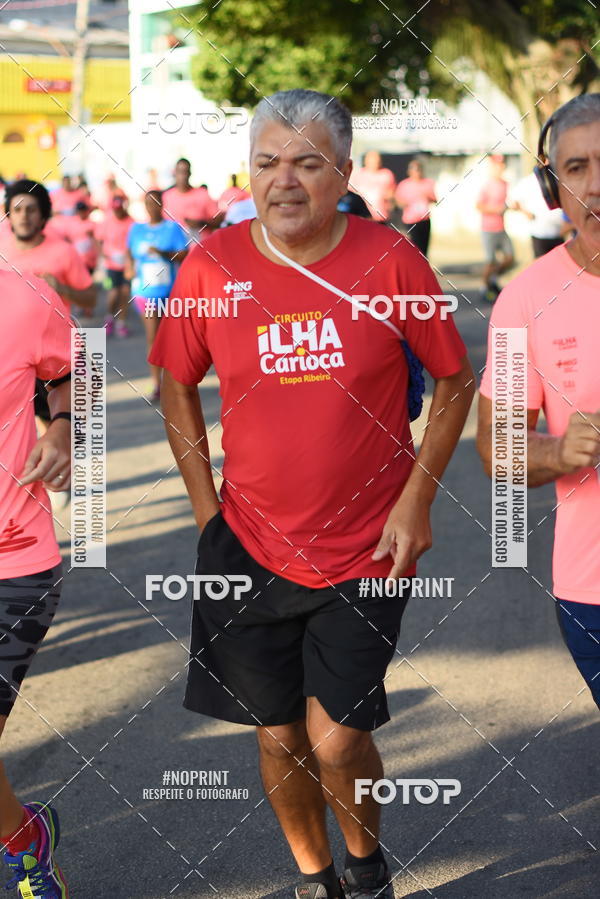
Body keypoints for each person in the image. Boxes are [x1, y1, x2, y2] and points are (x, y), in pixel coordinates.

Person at [150, 88, 474, 899]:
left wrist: (417, 500)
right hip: (248, 543)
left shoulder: (390, 259)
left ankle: (365, 868)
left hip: (368, 544)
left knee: (336, 740)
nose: (285, 180)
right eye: (268, 163)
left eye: (307, 162)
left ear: (344, 172)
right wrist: (204, 512)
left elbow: (455, 378)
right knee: (277, 736)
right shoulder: (211, 265)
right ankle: (314, 877)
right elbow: (175, 383)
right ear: (246, 173)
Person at [477, 93, 600, 711]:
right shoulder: (523, 301)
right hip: (592, 592)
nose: (596, 184)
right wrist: (558, 448)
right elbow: (497, 450)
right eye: (576, 168)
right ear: (553, 188)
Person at [0, 269, 72, 898]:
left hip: (14, 562)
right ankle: (25, 840)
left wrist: (63, 427)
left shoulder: (22, 296)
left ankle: (25, 850)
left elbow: (82, 368)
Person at [125, 190, 188, 402]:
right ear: (144, 205)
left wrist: (162, 253)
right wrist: (128, 268)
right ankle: (158, 385)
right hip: (145, 292)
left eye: (156, 203)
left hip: (169, 292)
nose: (152, 207)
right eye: (148, 203)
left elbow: (184, 255)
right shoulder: (136, 229)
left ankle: (176, 381)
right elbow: (128, 252)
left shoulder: (172, 229)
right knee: (153, 336)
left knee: (170, 337)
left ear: (162, 204)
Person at [0, 180, 95, 314]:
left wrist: (62, 289)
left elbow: (92, 299)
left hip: (55, 334)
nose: (24, 216)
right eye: (17, 209)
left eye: (31, 210)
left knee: (94, 336)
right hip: (8, 334)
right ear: (9, 216)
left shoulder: (65, 251)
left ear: (43, 216)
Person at [476, 154, 515, 302]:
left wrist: (514, 207)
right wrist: (495, 210)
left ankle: (492, 278)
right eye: (497, 165)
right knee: (490, 261)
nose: (500, 168)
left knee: (510, 258)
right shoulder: (487, 185)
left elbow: (508, 202)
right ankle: (484, 287)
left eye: (502, 165)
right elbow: (478, 206)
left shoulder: (506, 184)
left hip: (501, 228)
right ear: (493, 167)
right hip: (488, 228)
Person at [96, 194, 134, 337]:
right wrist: (102, 255)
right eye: (115, 209)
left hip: (126, 265)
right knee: (113, 293)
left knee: (125, 293)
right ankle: (109, 318)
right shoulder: (107, 221)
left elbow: (134, 244)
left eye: (119, 208)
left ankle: (121, 323)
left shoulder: (131, 222)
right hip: (110, 264)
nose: (117, 211)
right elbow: (98, 240)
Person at [162, 158, 222, 242]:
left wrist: (202, 224)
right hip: (176, 251)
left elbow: (219, 220)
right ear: (174, 173)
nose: (183, 176)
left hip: (200, 248)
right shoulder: (166, 196)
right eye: (180, 172)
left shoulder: (202, 194)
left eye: (185, 172)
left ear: (190, 173)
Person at [511, 171, 564, 257]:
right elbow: (512, 201)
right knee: (542, 266)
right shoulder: (528, 181)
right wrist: (526, 212)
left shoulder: (558, 178)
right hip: (539, 233)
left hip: (559, 233)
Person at [394, 159, 437, 257]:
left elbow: (435, 199)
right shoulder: (404, 184)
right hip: (411, 221)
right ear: (409, 171)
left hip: (425, 219)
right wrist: (406, 202)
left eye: (419, 169)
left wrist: (427, 197)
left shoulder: (428, 183)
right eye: (414, 169)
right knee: (414, 248)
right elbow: (397, 201)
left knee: (424, 248)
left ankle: (423, 268)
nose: (417, 172)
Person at [350, 150, 396, 223]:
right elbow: (351, 194)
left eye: (377, 160)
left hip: (381, 217)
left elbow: (392, 194)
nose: (375, 163)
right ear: (366, 161)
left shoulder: (386, 174)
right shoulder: (358, 175)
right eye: (372, 161)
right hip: (362, 217)